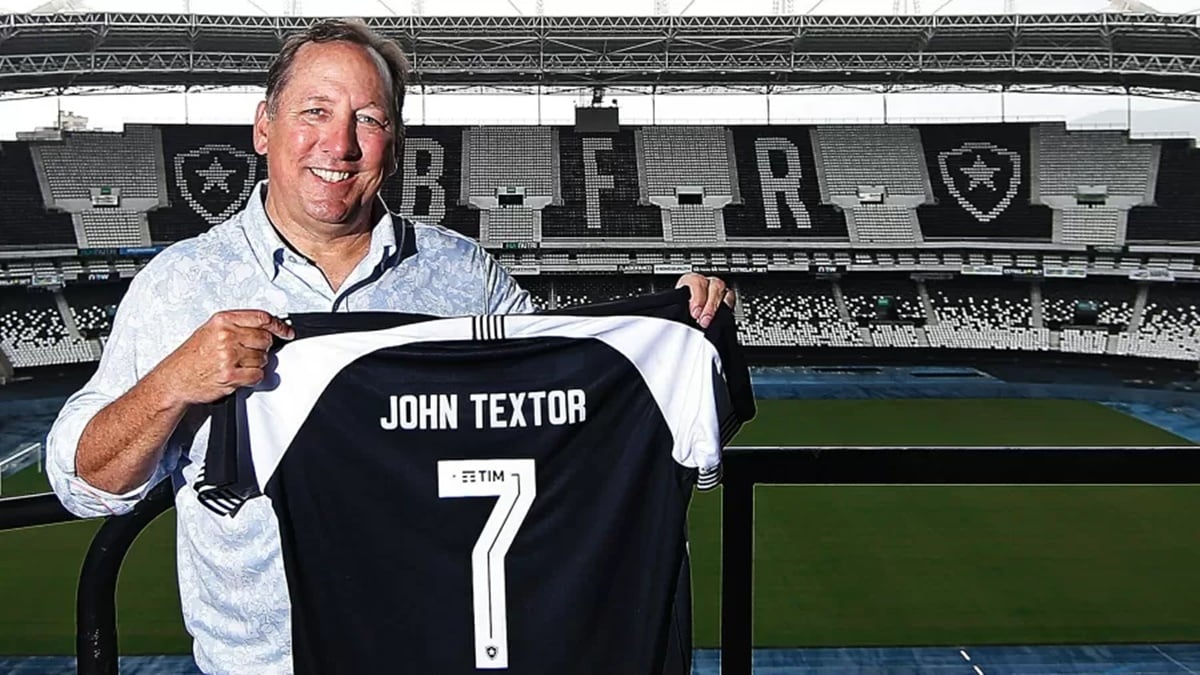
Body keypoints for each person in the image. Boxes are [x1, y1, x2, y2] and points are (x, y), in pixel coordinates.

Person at [46, 19, 734, 674]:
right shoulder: (180, 285)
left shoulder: (465, 278)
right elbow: (82, 485)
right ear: (264, 127)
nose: (339, 144)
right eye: (314, 111)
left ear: (394, 144)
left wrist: (674, 342)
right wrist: (174, 382)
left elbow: (571, 412)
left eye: (367, 120)